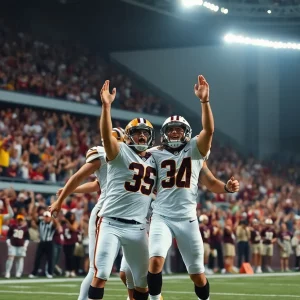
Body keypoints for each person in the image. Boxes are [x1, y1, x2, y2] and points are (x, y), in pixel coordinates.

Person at [147, 75, 237, 300]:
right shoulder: (154, 153)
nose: (175, 133)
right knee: (156, 260)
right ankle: (155, 299)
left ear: (186, 132)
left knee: (197, 274)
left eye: (179, 129)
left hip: (187, 218)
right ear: (164, 133)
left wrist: (204, 102)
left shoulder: (195, 150)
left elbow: (211, 181)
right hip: (162, 216)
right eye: (171, 130)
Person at [88, 80, 157, 300]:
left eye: (146, 133)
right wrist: (106, 107)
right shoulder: (119, 153)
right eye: (137, 133)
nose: (142, 136)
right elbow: (107, 136)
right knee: (101, 275)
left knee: (142, 284)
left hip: (138, 227)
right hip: (111, 222)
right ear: (128, 136)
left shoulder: (155, 160)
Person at [49, 128, 130, 299]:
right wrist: (61, 199)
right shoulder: (102, 155)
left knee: (129, 267)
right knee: (97, 269)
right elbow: (78, 176)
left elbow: (96, 185)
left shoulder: (129, 157)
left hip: (128, 214)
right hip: (105, 213)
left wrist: (72, 191)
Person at [29, 211, 59, 278]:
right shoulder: (41, 223)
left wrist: (53, 217)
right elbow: (33, 217)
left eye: (47, 217)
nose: (46, 218)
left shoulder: (52, 224)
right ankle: (34, 273)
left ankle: (49, 273)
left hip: (49, 242)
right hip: (42, 242)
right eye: (45, 217)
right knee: (37, 258)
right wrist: (35, 207)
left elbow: (56, 225)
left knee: (50, 259)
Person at [5, 214, 30, 278]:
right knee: (11, 258)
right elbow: (8, 235)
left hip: (21, 245)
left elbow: (27, 237)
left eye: (21, 220)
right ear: (17, 220)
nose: (20, 221)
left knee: (20, 259)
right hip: (13, 244)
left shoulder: (25, 228)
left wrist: (25, 245)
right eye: (19, 220)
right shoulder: (13, 226)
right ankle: (7, 272)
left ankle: (18, 273)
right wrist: (8, 242)